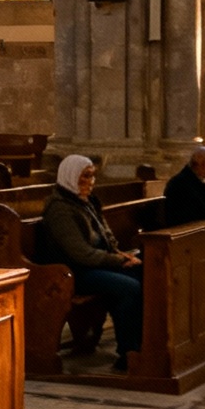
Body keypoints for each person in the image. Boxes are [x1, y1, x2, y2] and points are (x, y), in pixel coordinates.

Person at [39, 155, 143, 371]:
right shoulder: (59, 208)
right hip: (73, 272)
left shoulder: (87, 202)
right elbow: (81, 253)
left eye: (92, 176)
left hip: (95, 266)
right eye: (85, 176)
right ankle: (127, 352)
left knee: (142, 273)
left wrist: (123, 256)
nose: (91, 182)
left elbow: (107, 237)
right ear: (71, 175)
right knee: (129, 287)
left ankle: (142, 347)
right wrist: (117, 261)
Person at [162, 144, 205, 227]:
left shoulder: (192, 179)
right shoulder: (182, 183)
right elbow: (202, 212)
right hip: (185, 229)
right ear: (201, 165)